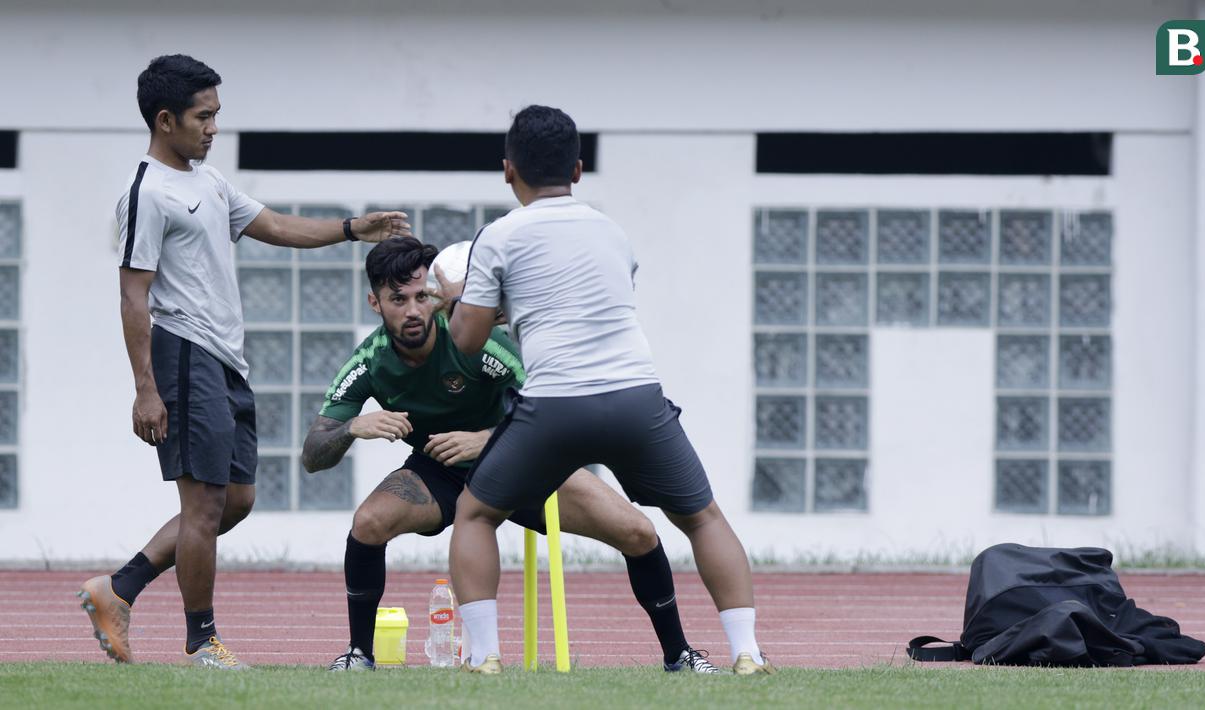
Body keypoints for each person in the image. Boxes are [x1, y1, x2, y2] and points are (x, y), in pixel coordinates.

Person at [77, 54, 411, 670]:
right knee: (203, 505)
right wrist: (145, 389)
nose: (213, 128)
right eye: (204, 117)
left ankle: (118, 590)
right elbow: (133, 294)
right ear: (165, 119)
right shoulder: (147, 193)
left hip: (226, 362)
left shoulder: (207, 182)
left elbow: (276, 225)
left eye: (217, 115)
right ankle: (203, 641)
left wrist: (351, 228)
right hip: (183, 355)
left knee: (236, 500)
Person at [437, 105, 773, 675]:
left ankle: (486, 657)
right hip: (635, 396)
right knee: (703, 518)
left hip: (555, 403)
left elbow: (467, 342)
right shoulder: (613, 231)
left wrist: (463, 302)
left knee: (474, 514)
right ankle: (748, 654)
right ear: (577, 170)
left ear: (507, 170)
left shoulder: (497, 236)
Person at [304, 236, 718, 674]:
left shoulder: (476, 341)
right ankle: (358, 656)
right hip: (440, 473)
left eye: (422, 296)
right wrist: (352, 427)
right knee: (368, 522)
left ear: (437, 295)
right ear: (375, 302)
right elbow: (313, 454)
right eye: (397, 299)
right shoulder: (370, 360)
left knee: (637, 531)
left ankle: (680, 655)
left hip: (524, 460)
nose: (412, 310)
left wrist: (488, 438)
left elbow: (550, 401)